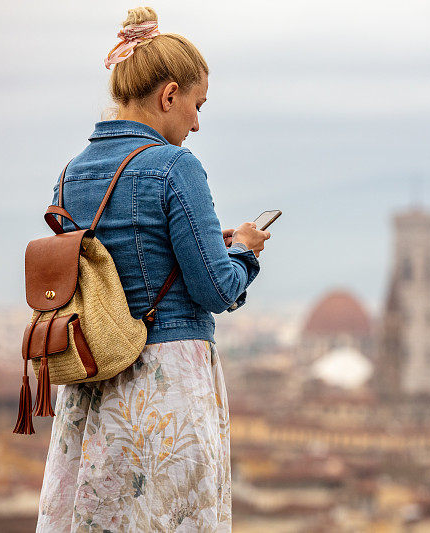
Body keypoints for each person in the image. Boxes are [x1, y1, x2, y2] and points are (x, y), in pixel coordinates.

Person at [34, 7, 270, 532]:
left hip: (94, 378)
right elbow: (217, 288)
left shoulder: (71, 172)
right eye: (195, 104)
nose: (197, 122)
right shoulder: (175, 167)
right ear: (168, 95)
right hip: (165, 380)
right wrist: (246, 250)